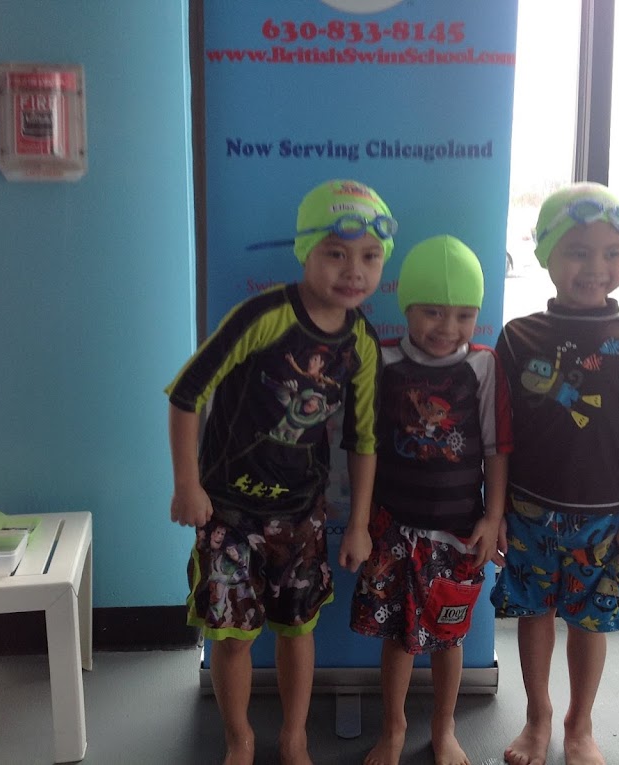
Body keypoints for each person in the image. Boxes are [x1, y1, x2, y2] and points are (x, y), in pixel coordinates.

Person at [166, 179, 395, 765]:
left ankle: (295, 735)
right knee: (231, 635)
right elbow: (187, 394)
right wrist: (187, 483)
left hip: (299, 514)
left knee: (298, 628)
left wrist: (358, 524)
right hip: (227, 511)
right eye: (336, 253)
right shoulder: (264, 316)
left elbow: (363, 440)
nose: (354, 270)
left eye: (370, 257)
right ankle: (239, 738)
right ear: (305, 251)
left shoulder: (362, 342)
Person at [492, 183, 619, 765]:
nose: (596, 267)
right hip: (528, 511)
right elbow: (499, 439)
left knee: (590, 622)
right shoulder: (517, 337)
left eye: (611, 253)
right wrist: (495, 511)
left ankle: (580, 721)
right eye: (578, 252)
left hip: (604, 517)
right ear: (546, 254)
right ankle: (537, 715)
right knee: (534, 613)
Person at [349, 235, 513, 765]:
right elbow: (364, 446)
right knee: (398, 637)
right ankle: (394, 729)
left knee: (449, 638)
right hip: (393, 529)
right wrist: (359, 522)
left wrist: (493, 516)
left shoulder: (483, 366)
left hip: (460, 532)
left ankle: (444, 727)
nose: (448, 328)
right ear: (407, 307)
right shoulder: (384, 361)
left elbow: (497, 448)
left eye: (464, 315)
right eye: (433, 312)